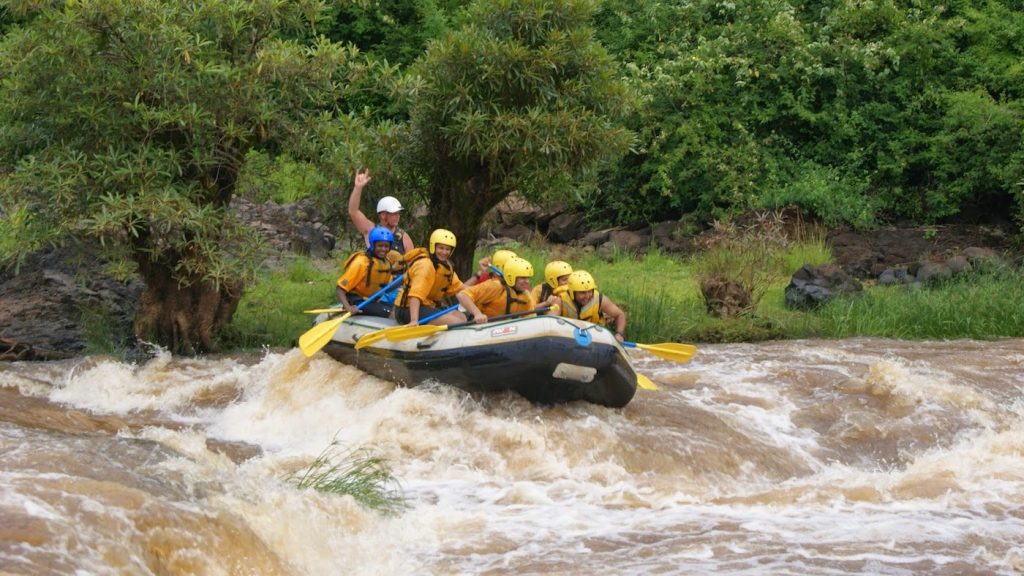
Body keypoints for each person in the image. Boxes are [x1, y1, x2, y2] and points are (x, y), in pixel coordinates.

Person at [393, 229, 466, 326]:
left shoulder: (446, 267)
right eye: (441, 248)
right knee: (455, 322)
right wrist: (414, 320)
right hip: (408, 309)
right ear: (433, 246)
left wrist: (480, 286)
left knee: (462, 317)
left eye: (447, 249)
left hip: (428, 306)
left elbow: (460, 288)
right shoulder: (425, 265)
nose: (444, 252)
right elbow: (415, 295)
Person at [457, 257, 560, 323]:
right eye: (523, 278)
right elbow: (462, 295)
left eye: (528, 278)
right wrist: (477, 314)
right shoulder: (495, 286)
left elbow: (530, 318)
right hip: (478, 326)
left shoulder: (525, 296)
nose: (527, 282)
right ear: (511, 277)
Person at [346, 169, 414, 254]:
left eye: (398, 213)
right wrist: (358, 188)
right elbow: (353, 211)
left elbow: (412, 264)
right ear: (383, 215)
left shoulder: (404, 237)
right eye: (393, 213)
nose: (397, 216)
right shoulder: (371, 230)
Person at [335, 226, 397, 318]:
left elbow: (387, 286)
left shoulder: (386, 262)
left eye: (386, 246)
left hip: (371, 301)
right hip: (356, 301)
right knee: (393, 314)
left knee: (399, 310)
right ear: (373, 245)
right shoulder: (361, 262)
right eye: (380, 246)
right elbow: (340, 289)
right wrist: (348, 307)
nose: (383, 249)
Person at [560, 270, 628, 343]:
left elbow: (620, 315)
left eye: (590, 291)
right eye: (582, 293)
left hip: (595, 340)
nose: (587, 296)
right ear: (572, 292)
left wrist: (619, 334)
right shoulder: (560, 300)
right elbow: (550, 319)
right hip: (568, 339)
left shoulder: (600, 300)